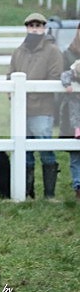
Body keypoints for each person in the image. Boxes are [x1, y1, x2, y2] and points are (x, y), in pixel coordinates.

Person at [8, 12, 64, 199]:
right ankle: (27, 193)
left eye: (38, 26)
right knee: (24, 152)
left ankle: (49, 194)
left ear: (44, 28)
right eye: (31, 26)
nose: (34, 29)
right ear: (26, 28)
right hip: (20, 110)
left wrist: (30, 93)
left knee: (45, 150)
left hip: (42, 109)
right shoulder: (18, 51)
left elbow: (55, 77)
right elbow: (10, 75)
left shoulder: (52, 51)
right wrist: (13, 97)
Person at [58, 22, 80, 199]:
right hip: (74, 109)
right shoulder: (68, 54)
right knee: (75, 151)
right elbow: (63, 74)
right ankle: (78, 185)